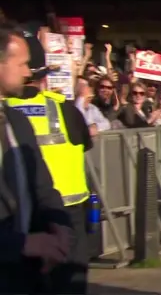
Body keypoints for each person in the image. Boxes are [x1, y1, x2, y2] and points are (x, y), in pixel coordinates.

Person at [5, 25, 92, 294]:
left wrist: (58, 226)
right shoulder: (63, 109)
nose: (26, 72)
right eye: (20, 64)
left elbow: (41, 182)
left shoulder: (15, 120)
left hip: (47, 230)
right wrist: (22, 243)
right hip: (31, 238)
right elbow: (85, 142)